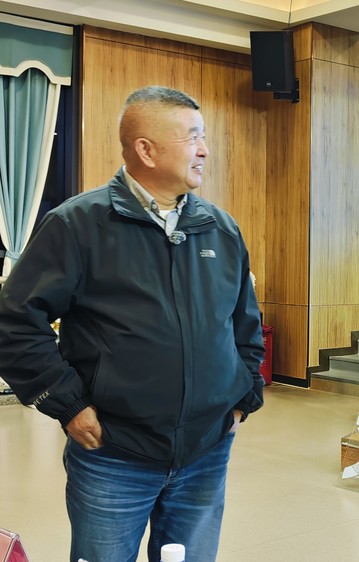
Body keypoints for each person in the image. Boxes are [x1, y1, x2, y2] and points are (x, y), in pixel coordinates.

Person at [0, 86, 265, 562]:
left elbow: (245, 324)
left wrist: (242, 400)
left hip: (206, 452)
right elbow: (14, 322)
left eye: (204, 137)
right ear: (146, 149)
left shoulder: (220, 229)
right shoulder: (78, 225)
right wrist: (68, 404)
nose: (205, 150)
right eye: (192, 137)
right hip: (113, 454)